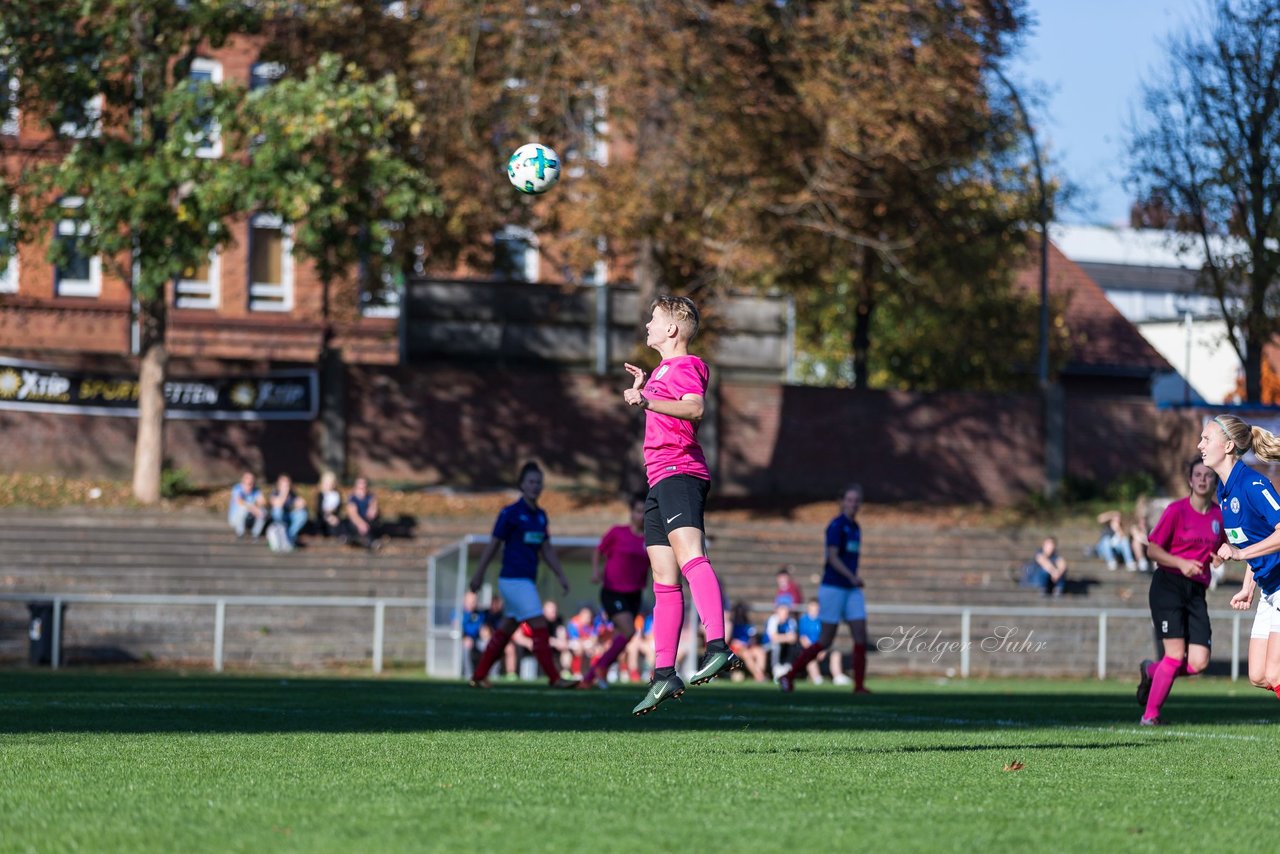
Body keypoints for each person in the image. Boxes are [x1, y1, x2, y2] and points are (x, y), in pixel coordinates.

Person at [622, 295, 743, 716]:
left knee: (693, 558)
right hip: (658, 479)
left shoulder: (689, 365)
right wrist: (646, 389)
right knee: (663, 579)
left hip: (680, 473)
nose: (648, 325)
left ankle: (717, 646)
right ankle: (662, 674)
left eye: (654, 320)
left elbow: (694, 408)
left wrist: (646, 400)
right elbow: (664, 405)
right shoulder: (661, 371)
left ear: (672, 329)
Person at [467, 461, 578, 689]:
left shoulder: (541, 516)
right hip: (512, 579)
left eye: (539, 483)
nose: (535, 486)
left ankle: (478, 676)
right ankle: (554, 678)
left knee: (507, 628)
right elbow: (493, 545)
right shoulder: (510, 513)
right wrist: (478, 574)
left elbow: (546, 549)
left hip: (527, 581)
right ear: (521, 485)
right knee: (538, 622)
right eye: (531, 482)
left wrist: (561, 575)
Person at [1135, 459, 1225, 725]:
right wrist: (1181, 562)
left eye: (1208, 475)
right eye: (1197, 475)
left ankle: (1152, 670)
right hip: (1168, 586)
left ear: (1214, 482)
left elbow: (1219, 549)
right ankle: (1150, 716)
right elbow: (1152, 550)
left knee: (1198, 663)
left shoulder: (1219, 517)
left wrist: (1218, 557)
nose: (1202, 479)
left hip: (1196, 591)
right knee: (1174, 656)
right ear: (1189, 480)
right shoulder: (1176, 511)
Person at [1203, 415, 1280, 701]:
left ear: (1228, 446)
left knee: (1275, 674)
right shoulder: (1225, 492)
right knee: (1259, 675)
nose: (1200, 445)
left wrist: (1239, 553)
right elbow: (1254, 539)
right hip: (1269, 587)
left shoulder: (1252, 484)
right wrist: (1249, 586)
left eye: (1206, 439)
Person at [779, 484, 871, 694]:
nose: (853, 504)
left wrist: (853, 580)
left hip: (851, 589)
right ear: (842, 501)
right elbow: (832, 557)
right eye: (849, 500)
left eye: (856, 500)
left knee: (860, 635)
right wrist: (851, 577)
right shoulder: (837, 526)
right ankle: (789, 676)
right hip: (833, 588)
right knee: (826, 640)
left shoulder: (856, 527)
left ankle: (859, 686)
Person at [581, 494, 651, 688]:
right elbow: (598, 551)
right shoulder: (617, 532)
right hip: (613, 591)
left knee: (621, 636)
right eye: (638, 511)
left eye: (645, 512)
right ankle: (601, 668)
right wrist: (596, 572)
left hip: (634, 594)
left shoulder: (650, 539)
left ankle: (588, 679)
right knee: (629, 631)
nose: (642, 516)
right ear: (631, 513)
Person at [798, 597, 846, 685]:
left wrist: (823, 650)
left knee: (836, 654)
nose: (814, 611)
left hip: (822, 648)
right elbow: (803, 639)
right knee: (809, 656)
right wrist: (814, 650)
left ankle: (838, 676)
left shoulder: (823, 620)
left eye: (816, 609)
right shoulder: (803, 620)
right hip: (810, 648)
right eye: (812, 608)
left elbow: (826, 637)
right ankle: (817, 678)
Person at [728, 602, 768, 682]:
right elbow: (730, 640)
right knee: (746, 654)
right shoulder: (732, 625)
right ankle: (759, 676)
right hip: (736, 649)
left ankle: (759, 674)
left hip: (748, 647)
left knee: (760, 652)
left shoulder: (748, 625)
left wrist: (750, 642)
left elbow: (753, 639)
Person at [267, 473, 308, 550]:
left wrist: (301, 504)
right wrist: (284, 493)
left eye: (287, 483)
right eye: (284, 483)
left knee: (302, 514)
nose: (286, 486)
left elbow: (300, 503)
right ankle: (284, 536)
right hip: (278, 520)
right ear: (279, 484)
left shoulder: (292, 494)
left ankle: (289, 536)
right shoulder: (274, 492)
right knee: (277, 511)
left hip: (288, 516)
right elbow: (278, 504)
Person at [345, 476, 383, 550]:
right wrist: (360, 523)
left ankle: (360, 541)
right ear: (356, 486)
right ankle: (370, 543)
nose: (362, 487)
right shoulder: (352, 498)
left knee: (371, 523)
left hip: (368, 521)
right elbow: (353, 514)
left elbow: (373, 509)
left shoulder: (371, 497)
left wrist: (372, 510)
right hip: (356, 522)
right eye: (360, 485)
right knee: (357, 526)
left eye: (364, 484)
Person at [227, 471, 267, 539]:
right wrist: (253, 508)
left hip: (250, 518)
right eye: (247, 479)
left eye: (252, 479)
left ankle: (255, 534)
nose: (250, 481)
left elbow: (263, 502)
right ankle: (240, 533)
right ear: (243, 481)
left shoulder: (256, 490)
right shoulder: (237, 488)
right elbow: (239, 501)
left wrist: (257, 508)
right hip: (236, 519)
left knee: (263, 512)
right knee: (243, 508)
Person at [764, 602, 799, 678]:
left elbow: (793, 638)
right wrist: (786, 637)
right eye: (782, 612)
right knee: (776, 645)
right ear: (778, 611)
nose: (785, 615)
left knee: (794, 646)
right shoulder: (773, 619)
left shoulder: (791, 621)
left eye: (786, 612)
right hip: (768, 646)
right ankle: (775, 669)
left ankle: (788, 666)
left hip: (785, 646)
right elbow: (773, 638)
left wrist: (781, 638)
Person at [313, 470, 345, 539]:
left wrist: (333, 516)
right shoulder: (320, 495)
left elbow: (338, 509)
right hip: (322, 519)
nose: (328, 485)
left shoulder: (337, 495)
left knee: (340, 523)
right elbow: (319, 510)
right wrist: (328, 517)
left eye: (330, 483)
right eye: (326, 483)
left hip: (334, 518)